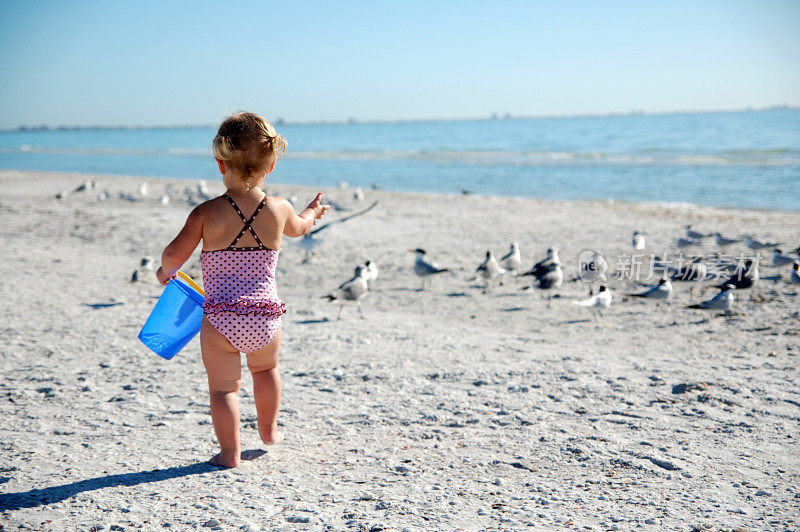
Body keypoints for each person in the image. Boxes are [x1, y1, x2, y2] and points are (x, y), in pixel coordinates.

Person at [155, 112, 329, 467]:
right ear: (273, 163)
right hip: (266, 318)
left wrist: (164, 271)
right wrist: (312, 211)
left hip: (220, 320)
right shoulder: (280, 209)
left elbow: (173, 256)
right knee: (266, 372)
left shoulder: (205, 213)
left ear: (220, 163)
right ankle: (268, 430)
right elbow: (301, 229)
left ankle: (230, 453)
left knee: (223, 389)